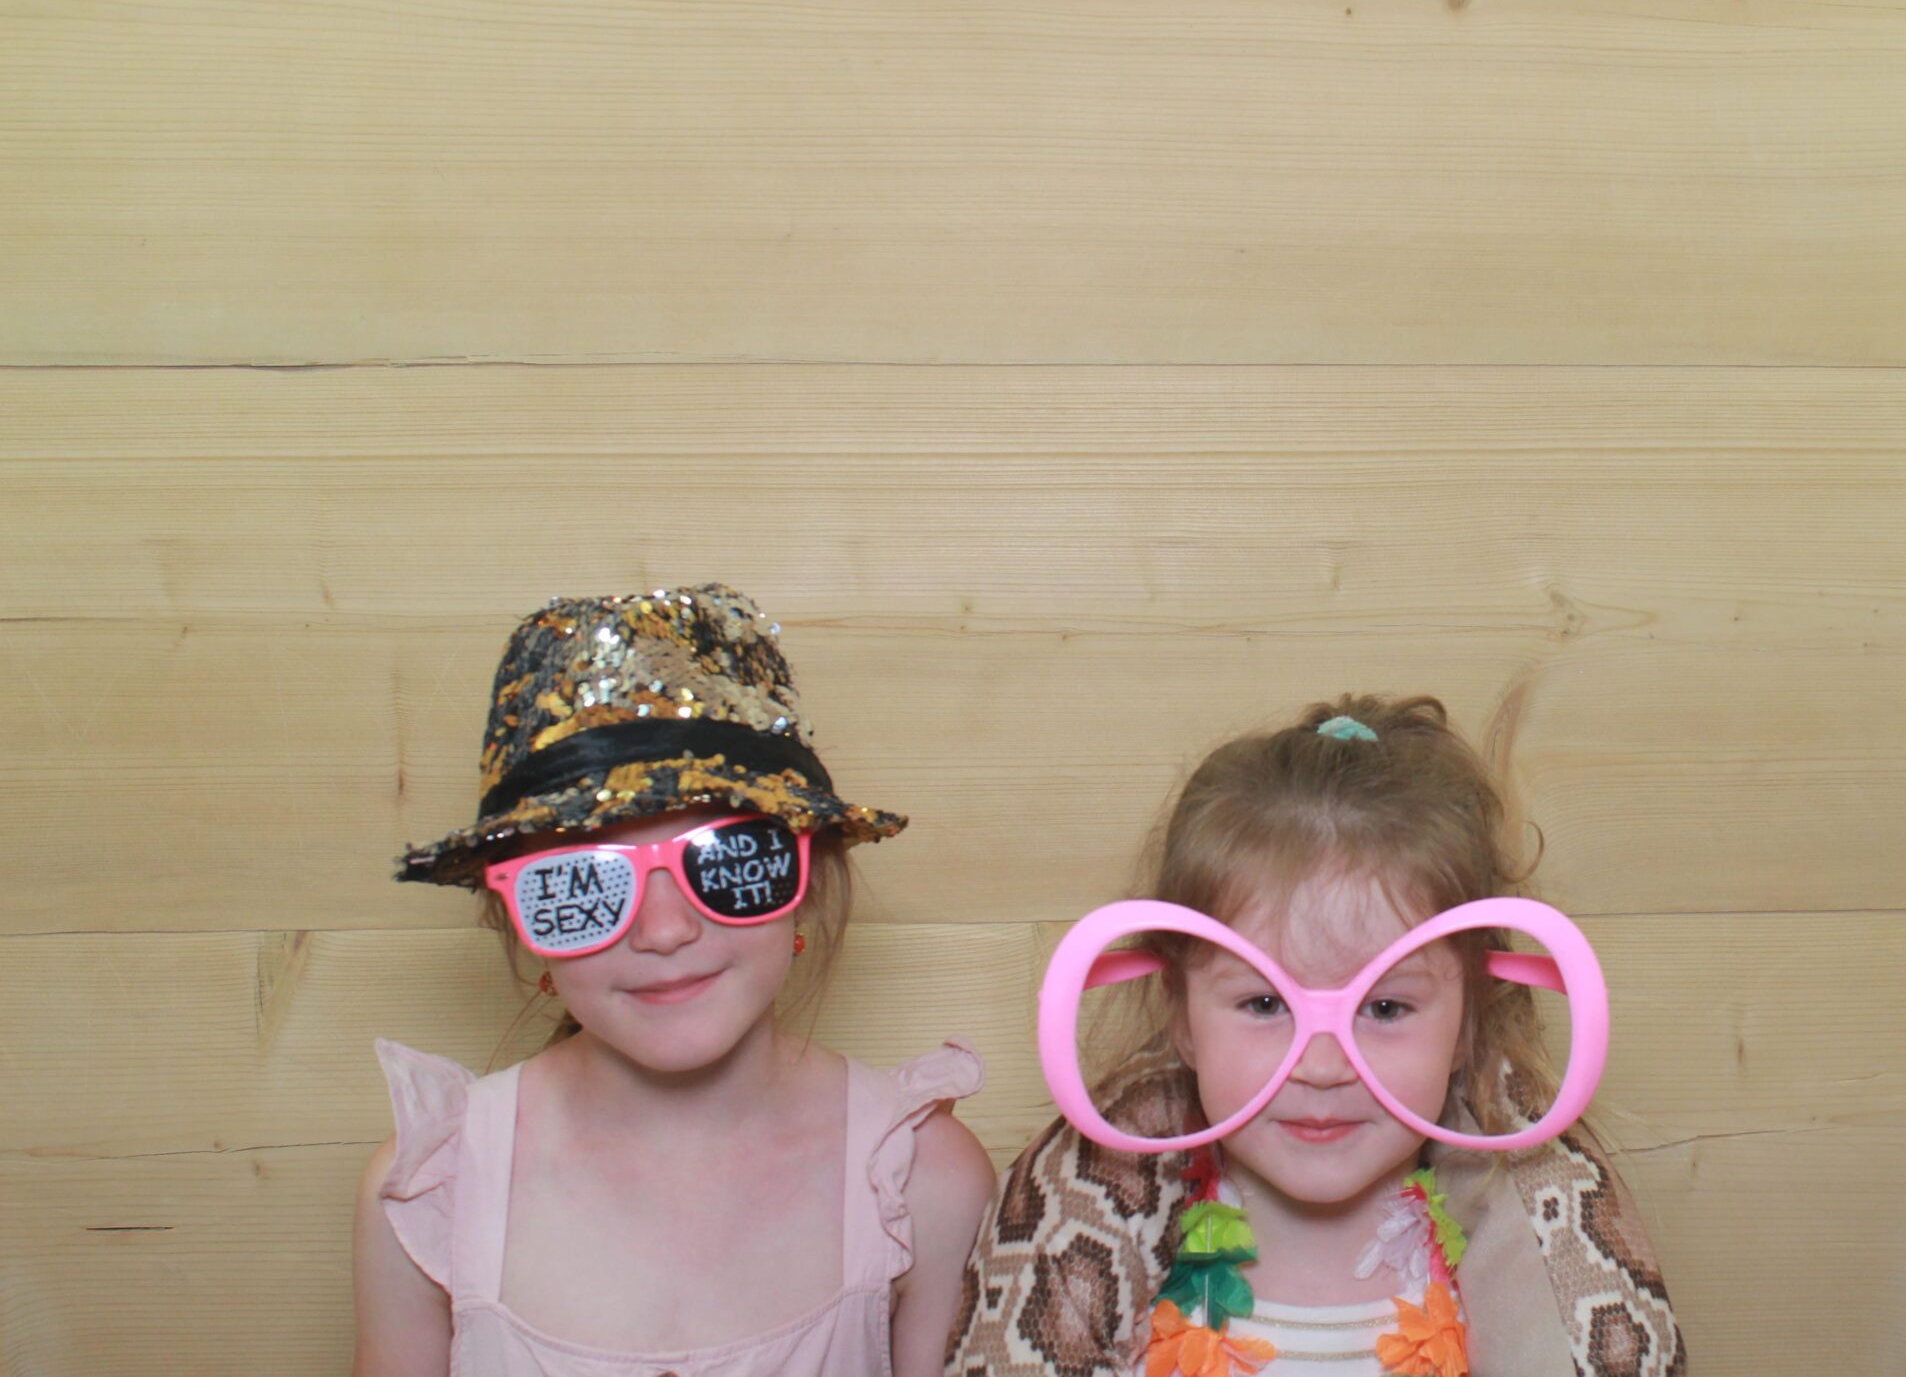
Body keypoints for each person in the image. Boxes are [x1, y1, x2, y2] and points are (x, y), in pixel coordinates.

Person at [353, 583, 993, 1377]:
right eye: (582, 883)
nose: (664, 930)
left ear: (808, 876)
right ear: (515, 916)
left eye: (727, 860)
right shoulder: (427, 1193)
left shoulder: (922, 1183)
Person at [951, 695, 1684, 1377]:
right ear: (1182, 1017)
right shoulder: (1110, 1261)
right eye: (1266, 1002)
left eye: (1386, 1008)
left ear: (1468, 1025)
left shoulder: (1512, 1272)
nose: (1325, 1064)